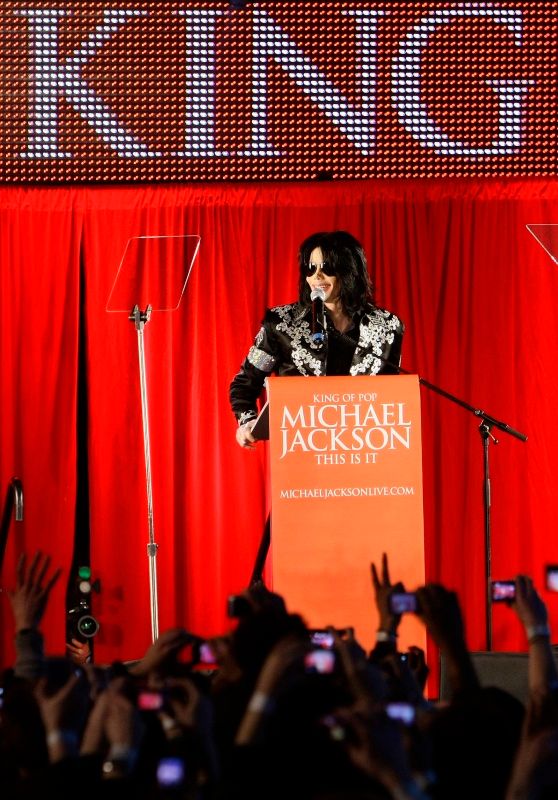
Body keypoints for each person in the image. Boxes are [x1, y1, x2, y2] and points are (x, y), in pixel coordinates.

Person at [229, 230, 404, 448]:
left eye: (327, 268)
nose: (317, 277)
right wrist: (247, 422)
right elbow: (245, 383)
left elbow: (394, 397)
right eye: (311, 269)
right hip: (302, 450)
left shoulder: (387, 326)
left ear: (349, 271)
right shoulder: (281, 324)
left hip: (365, 449)